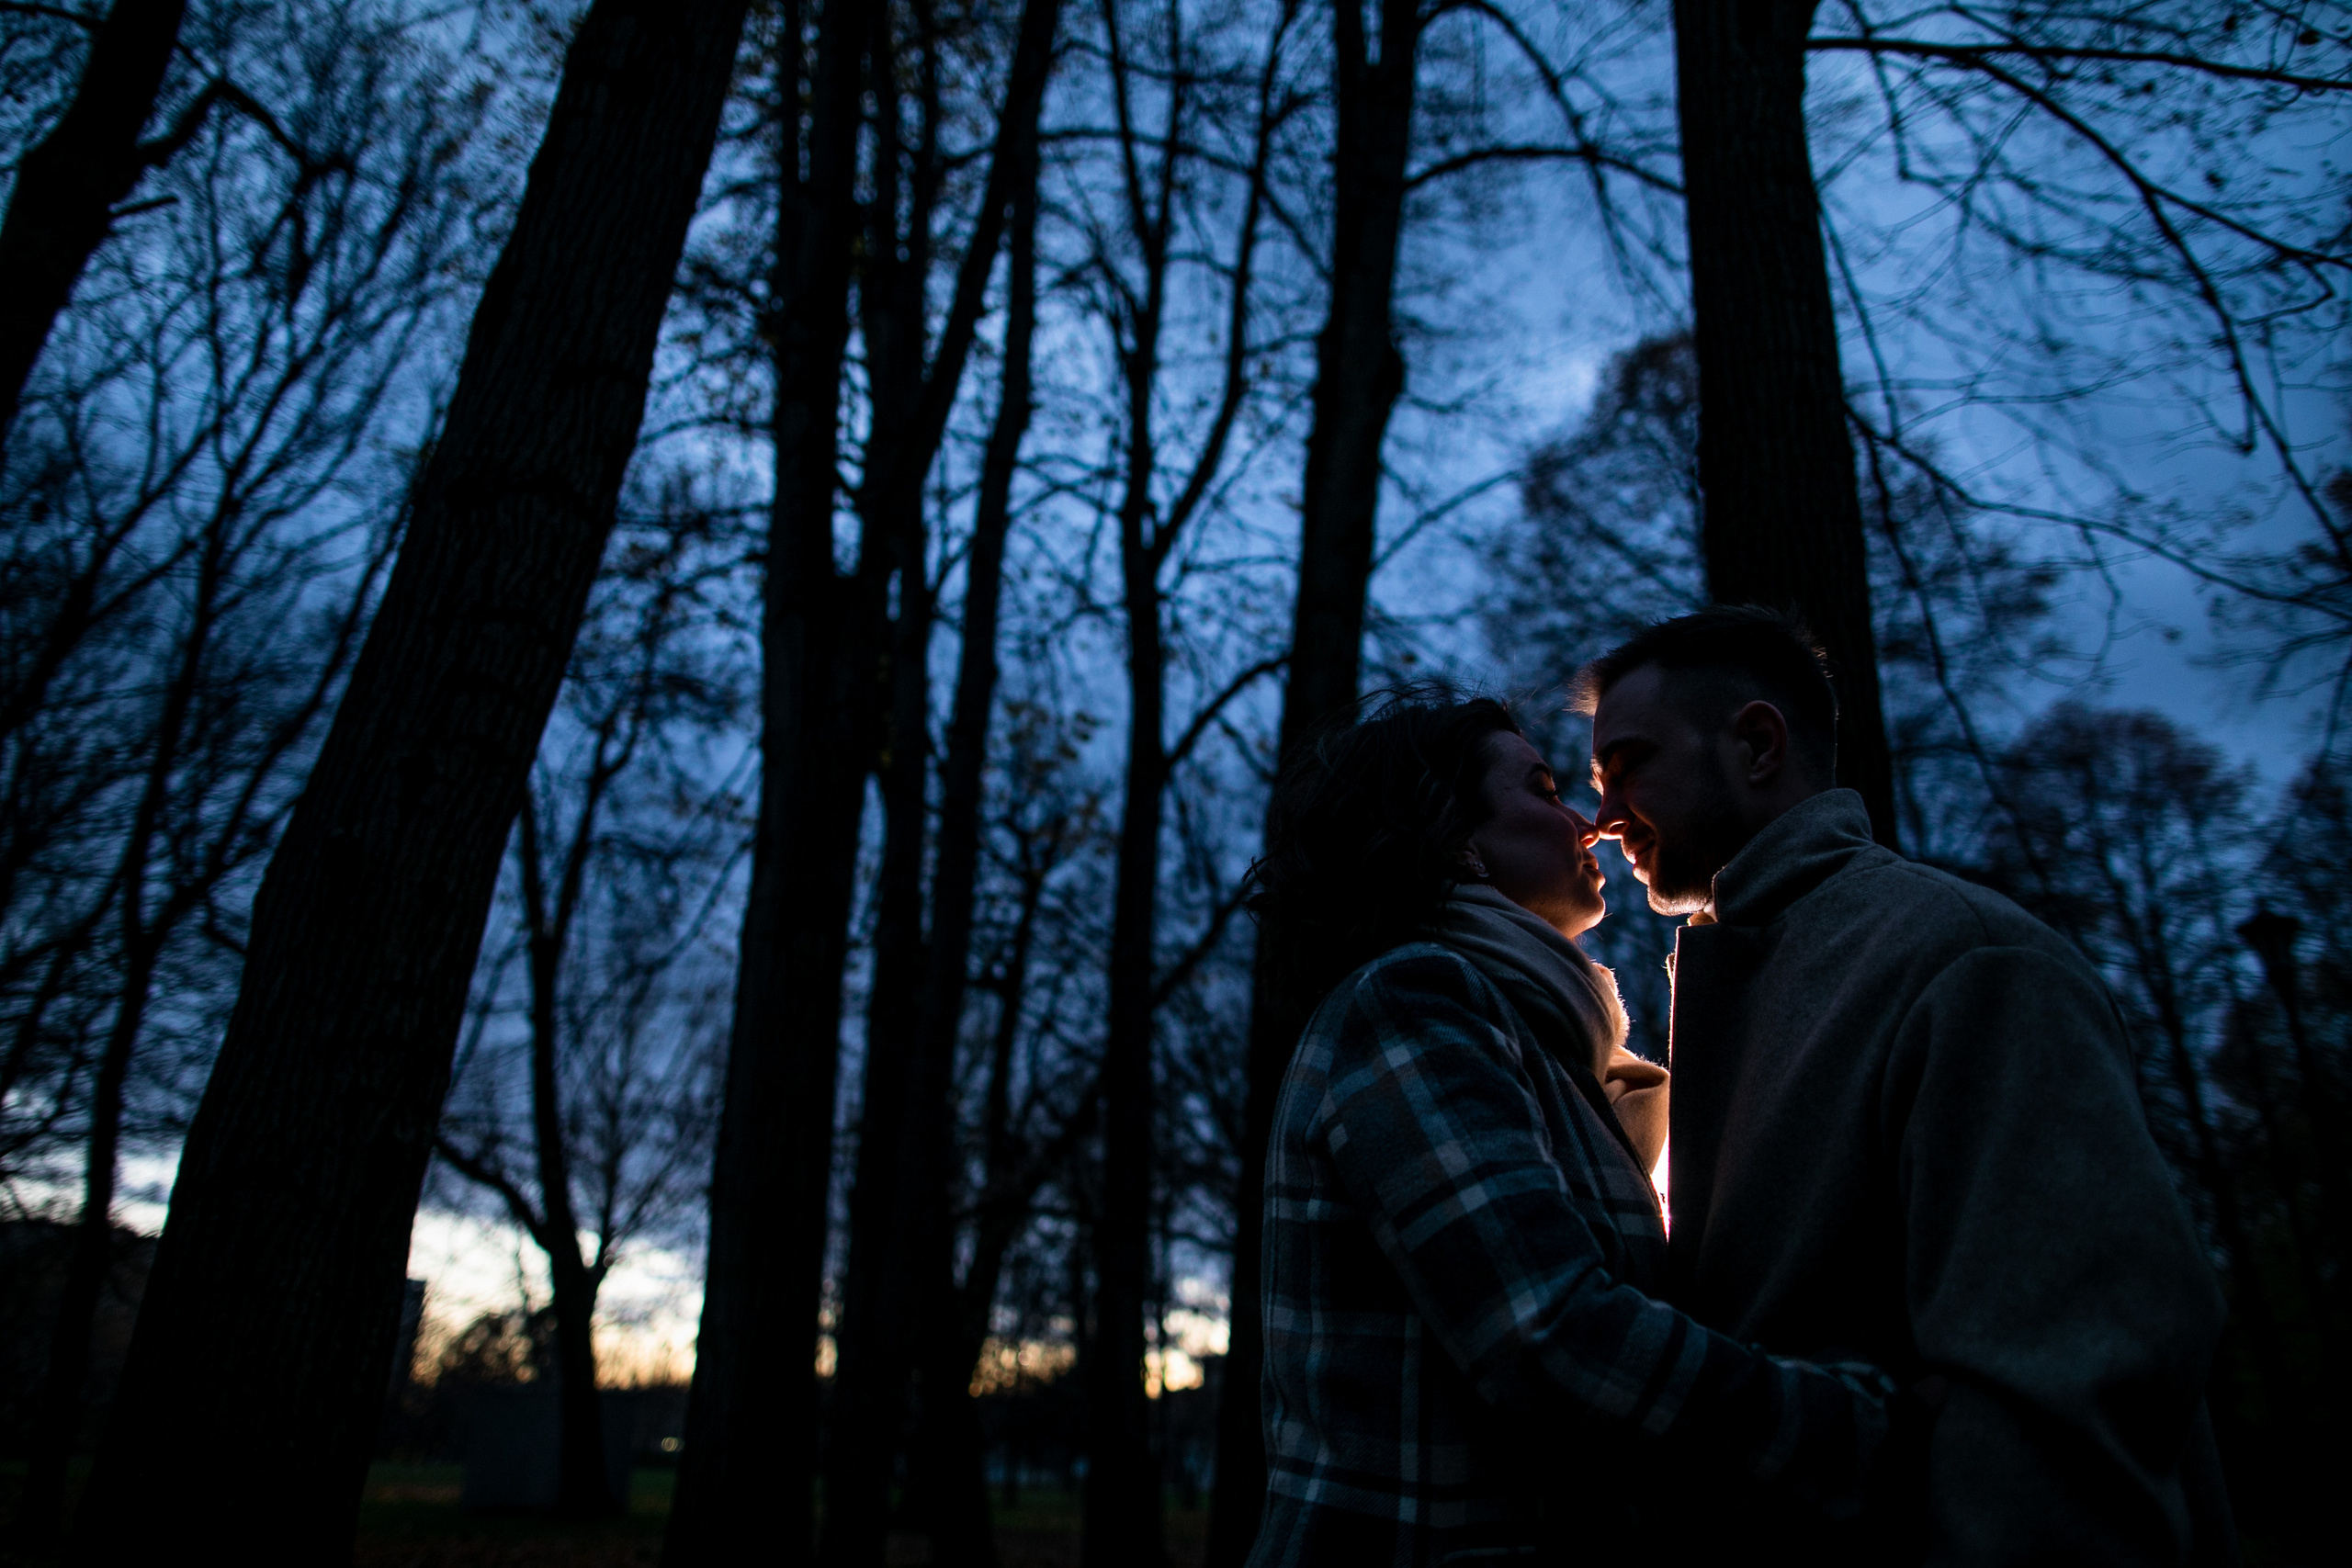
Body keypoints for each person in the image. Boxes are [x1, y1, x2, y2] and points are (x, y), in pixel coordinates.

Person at [1578, 606, 2235, 1564]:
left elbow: (2063, 1410)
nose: (1601, 818)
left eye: (1627, 765)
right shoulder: (1769, 978)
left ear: (1758, 743)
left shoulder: (1962, 961)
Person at [1245, 689, 1907, 1567]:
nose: (1590, 824)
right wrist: (1865, 1430)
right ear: (1452, 835)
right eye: (1547, 788)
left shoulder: (1546, 1053)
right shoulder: (1409, 1002)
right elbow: (1550, 1335)